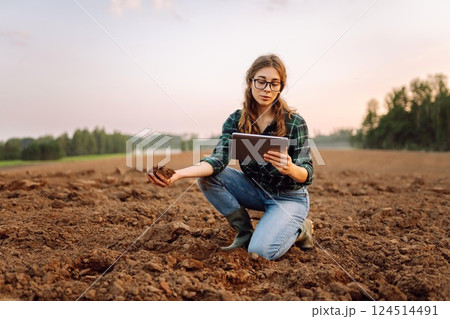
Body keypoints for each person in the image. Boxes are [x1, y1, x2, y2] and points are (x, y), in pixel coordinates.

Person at [146, 54, 314, 261]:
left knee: (261, 252)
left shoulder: (294, 123)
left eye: (274, 84)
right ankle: (244, 232)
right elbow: (218, 160)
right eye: (261, 81)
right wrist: (178, 175)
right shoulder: (236, 120)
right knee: (209, 177)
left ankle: (299, 229)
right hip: (257, 190)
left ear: (281, 87)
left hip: (289, 198)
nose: (267, 89)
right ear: (250, 81)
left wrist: (290, 168)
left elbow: (307, 173)